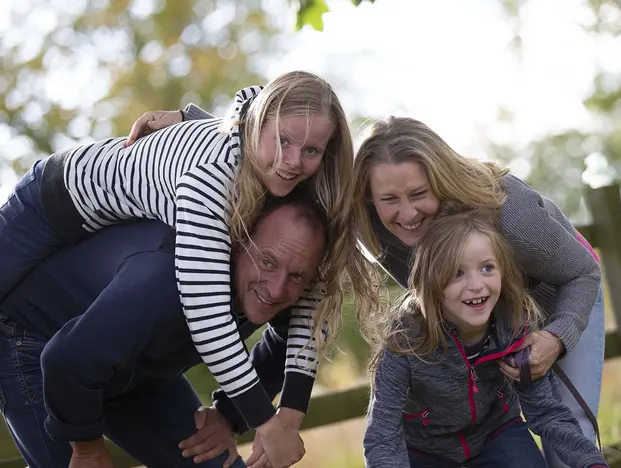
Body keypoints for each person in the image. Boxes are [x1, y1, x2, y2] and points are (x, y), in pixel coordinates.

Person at [0, 70, 376, 467]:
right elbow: (207, 314)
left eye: (311, 151)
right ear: (257, 125)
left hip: (131, 366)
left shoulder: (287, 190)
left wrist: (273, 415)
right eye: (282, 141)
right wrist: (265, 423)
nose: (293, 161)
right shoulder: (211, 183)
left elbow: (309, 306)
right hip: (51, 201)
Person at [0, 191, 326, 468]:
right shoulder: (166, 283)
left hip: (137, 368)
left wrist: (228, 413)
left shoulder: (282, 287)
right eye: (267, 263)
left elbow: (288, 337)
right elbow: (65, 361)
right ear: (239, 242)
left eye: (297, 276)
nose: (277, 288)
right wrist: (86, 447)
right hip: (35, 342)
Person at [352, 117, 604, 468]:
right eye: (389, 199)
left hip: (566, 286)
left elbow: (582, 271)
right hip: (496, 311)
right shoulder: (375, 226)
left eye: (419, 194)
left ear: (441, 179)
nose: (406, 213)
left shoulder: (509, 214)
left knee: (566, 422)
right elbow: (431, 300)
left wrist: (556, 337)